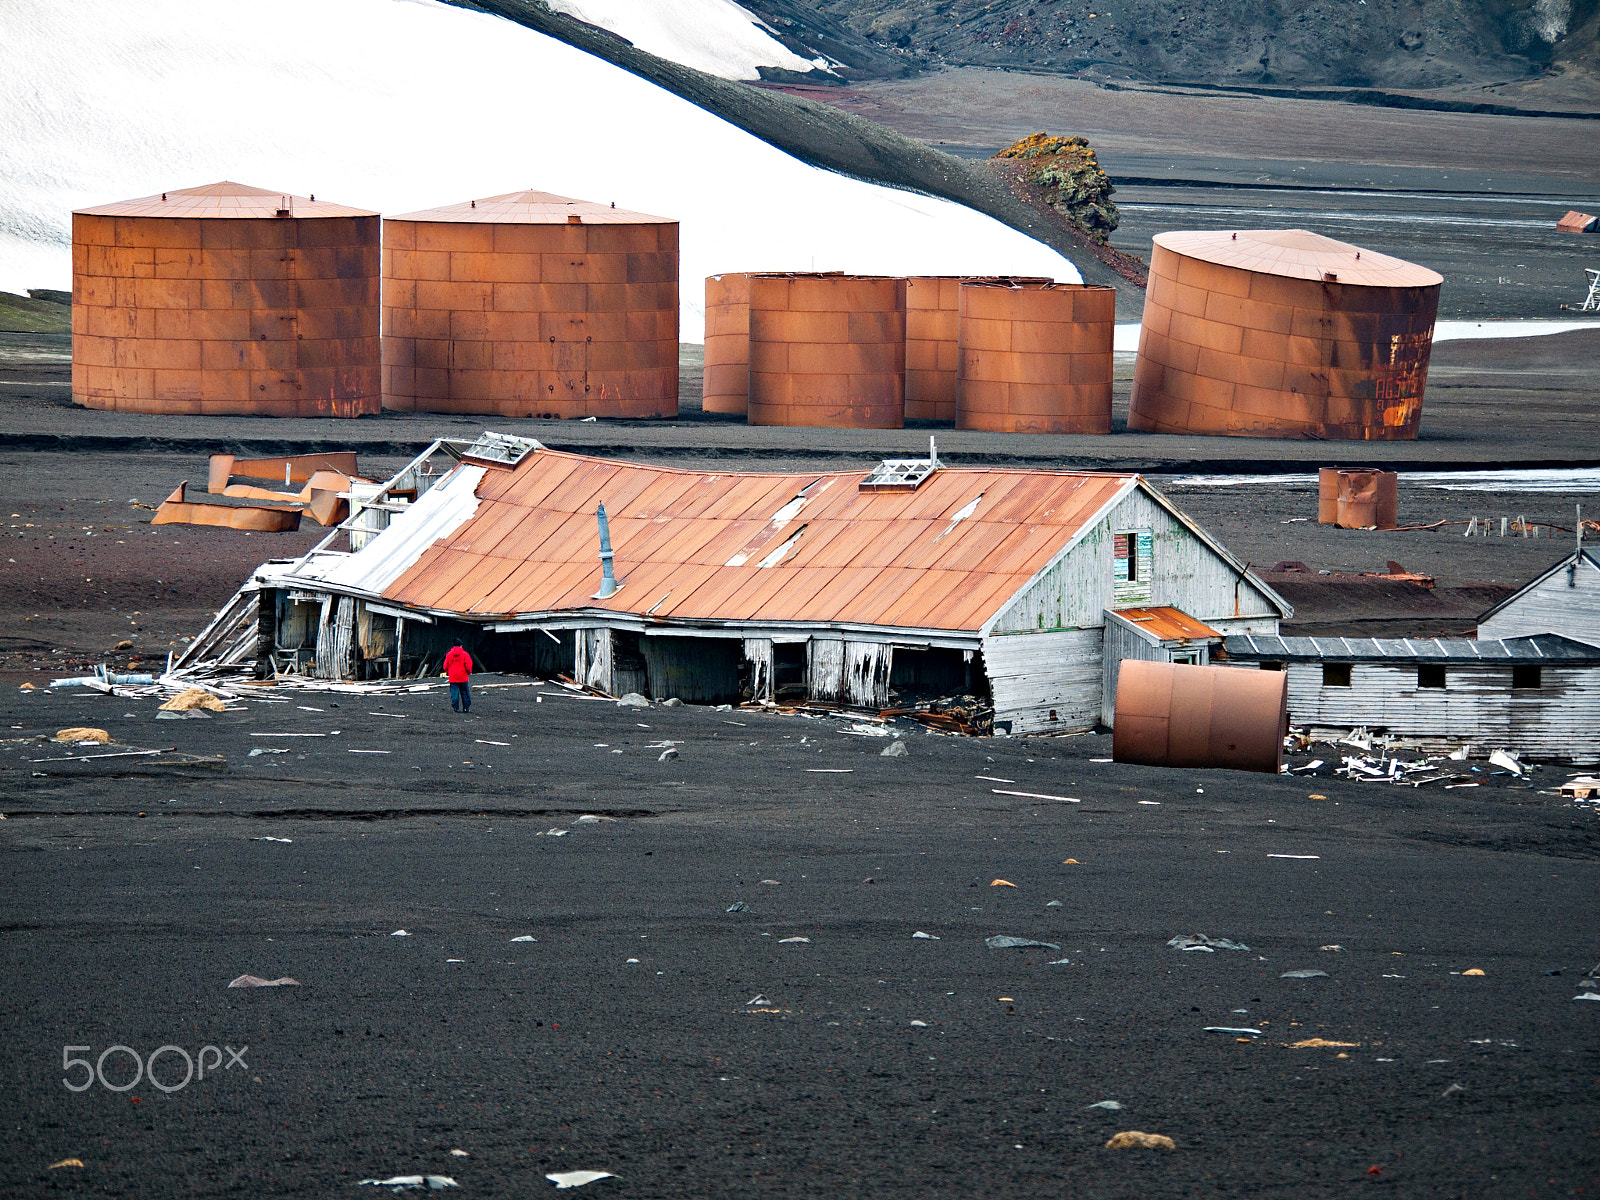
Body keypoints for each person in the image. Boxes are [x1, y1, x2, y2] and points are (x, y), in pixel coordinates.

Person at [443, 640, 473, 713]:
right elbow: (468, 665)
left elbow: (445, 666)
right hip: (463, 677)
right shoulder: (465, 654)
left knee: (454, 693)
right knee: (465, 693)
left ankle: (455, 707)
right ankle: (466, 708)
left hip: (453, 677)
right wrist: (469, 672)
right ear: (461, 645)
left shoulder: (449, 654)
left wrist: (448, 672)